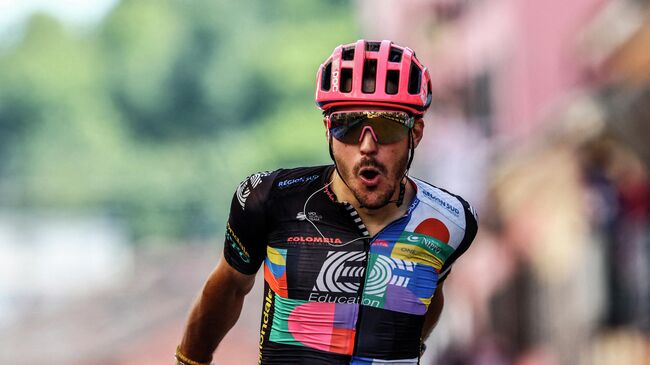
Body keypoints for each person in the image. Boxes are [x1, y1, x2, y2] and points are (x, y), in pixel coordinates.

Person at [175, 39, 478, 365]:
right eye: (347, 126)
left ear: (415, 134)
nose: (366, 147)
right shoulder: (271, 198)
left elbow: (430, 289)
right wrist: (190, 361)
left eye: (386, 127)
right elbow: (231, 285)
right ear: (327, 131)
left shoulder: (454, 220)